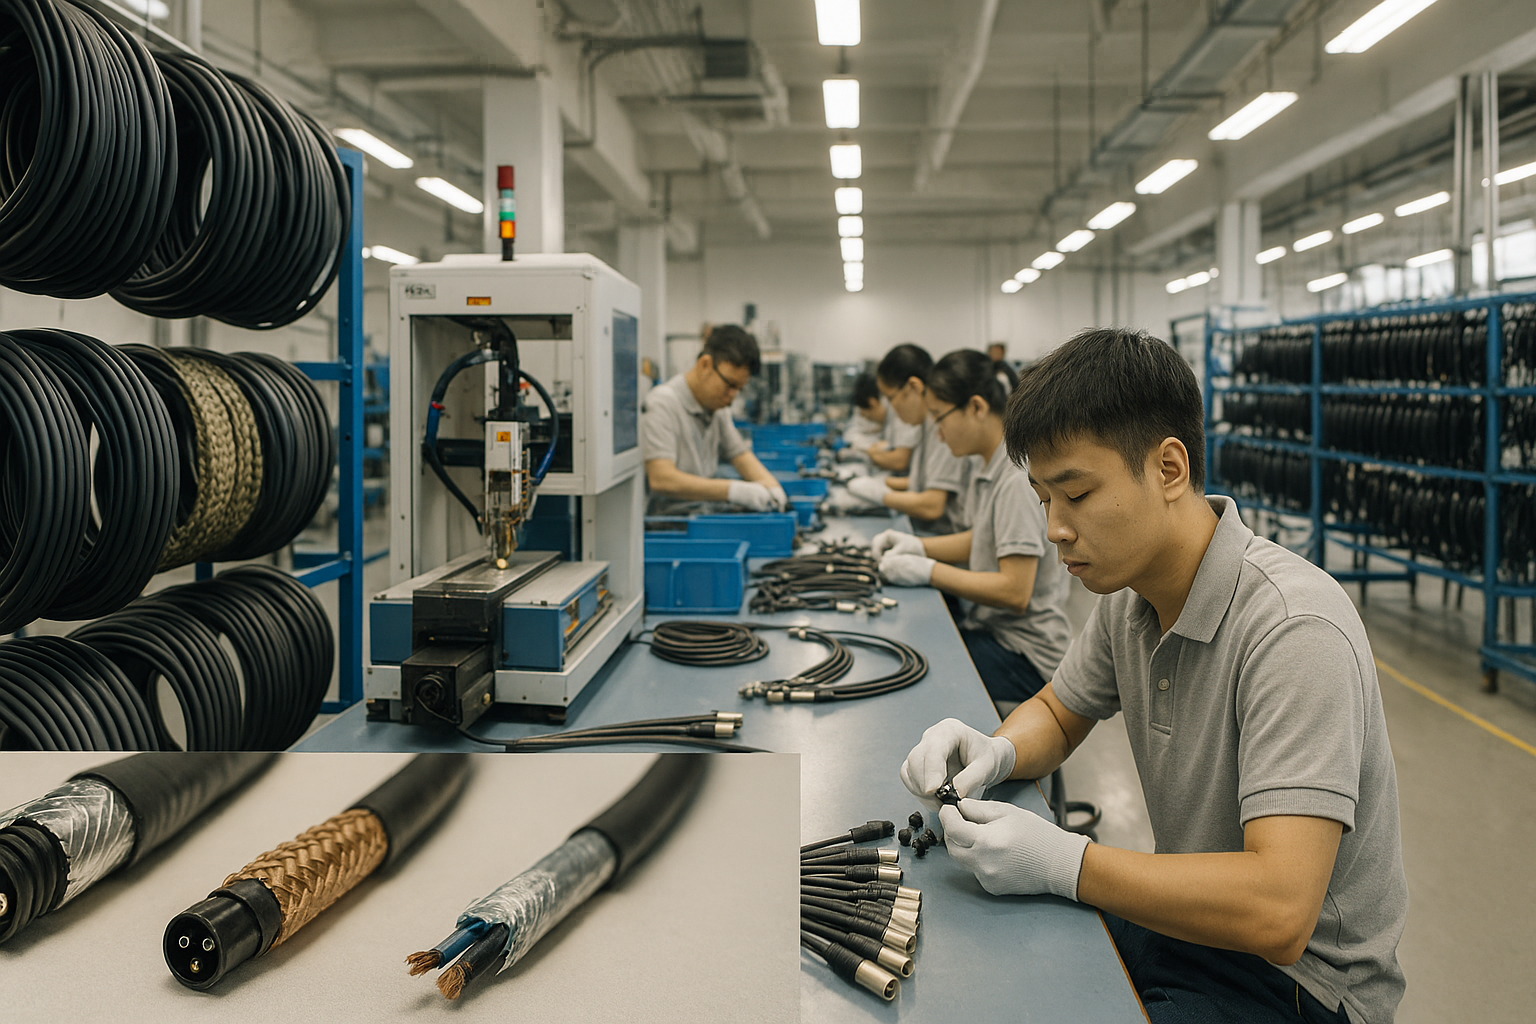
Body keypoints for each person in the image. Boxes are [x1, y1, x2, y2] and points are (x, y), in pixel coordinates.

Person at [902, 327, 1406, 1024]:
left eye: (1075, 494)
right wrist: (1000, 749)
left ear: (1169, 469)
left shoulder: (1294, 629)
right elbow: (1059, 709)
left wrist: (1068, 862)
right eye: (1044, 500)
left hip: (1295, 987)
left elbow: (1281, 910)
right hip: (1194, 932)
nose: (1053, 529)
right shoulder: (1133, 599)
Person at [871, 349, 1071, 705]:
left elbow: (1014, 591)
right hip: (995, 631)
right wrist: (917, 547)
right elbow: (983, 541)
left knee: (918, 664)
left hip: (1023, 652)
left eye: (940, 418)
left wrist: (928, 571)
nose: (940, 434)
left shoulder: (1014, 480)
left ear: (977, 408)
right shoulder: (988, 467)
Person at [641, 325, 787, 514]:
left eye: (739, 389)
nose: (733, 396)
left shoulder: (717, 408)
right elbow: (661, 478)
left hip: (703, 517)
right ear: (705, 365)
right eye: (730, 385)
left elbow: (741, 455)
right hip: (672, 527)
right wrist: (733, 490)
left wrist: (772, 489)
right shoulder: (662, 404)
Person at [842, 343, 970, 533]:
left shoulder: (942, 429)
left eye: (891, 398)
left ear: (913, 387)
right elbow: (921, 484)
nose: (891, 408)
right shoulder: (923, 425)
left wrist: (879, 493)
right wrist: (881, 483)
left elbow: (932, 505)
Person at [840, 372, 888, 455]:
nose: (867, 419)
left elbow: (898, 461)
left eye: (867, 416)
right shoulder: (886, 420)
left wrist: (869, 450)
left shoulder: (896, 417)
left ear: (872, 402)